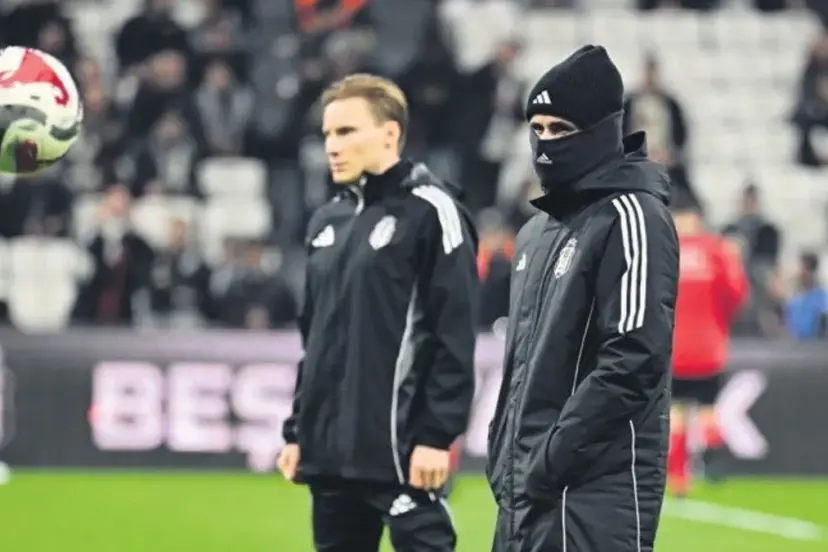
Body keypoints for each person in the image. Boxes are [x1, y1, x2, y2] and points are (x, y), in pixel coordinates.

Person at [486, 46, 680, 552]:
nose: (545, 141)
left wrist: (551, 458)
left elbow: (635, 359)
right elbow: (524, 364)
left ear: (600, 131)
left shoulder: (633, 215)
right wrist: (506, 454)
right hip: (524, 494)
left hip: (592, 499)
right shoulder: (535, 233)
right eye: (538, 128)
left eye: (561, 129)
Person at [277, 74, 479, 552]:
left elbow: (452, 333)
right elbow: (315, 341)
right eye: (327, 133)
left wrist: (436, 436)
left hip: (401, 450)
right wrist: (299, 431)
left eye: (346, 131)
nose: (332, 146)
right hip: (331, 455)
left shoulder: (431, 211)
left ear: (390, 133)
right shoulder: (327, 221)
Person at [668, 193, 748, 497]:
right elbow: (736, 292)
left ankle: (678, 477)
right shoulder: (716, 249)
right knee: (708, 410)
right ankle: (713, 465)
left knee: (676, 412)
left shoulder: (665, 248)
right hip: (708, 348)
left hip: (674, 348)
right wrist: (719, 321)